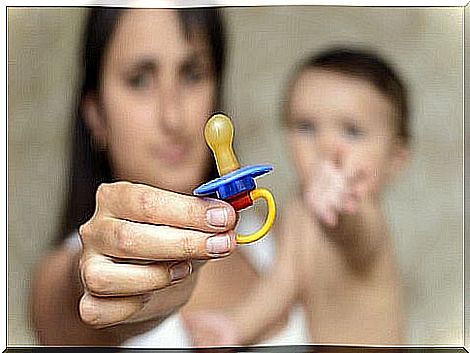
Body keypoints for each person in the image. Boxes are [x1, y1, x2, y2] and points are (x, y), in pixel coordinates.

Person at [31, 7, 309, 346]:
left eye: (192, 74)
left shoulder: (281, 242)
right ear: (96, 115)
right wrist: (97, 282)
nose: (173, 117)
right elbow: (69, 306)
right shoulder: (67, 274)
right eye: (140, 80)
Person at [185, 47, 410, 346]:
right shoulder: (298, 210)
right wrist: (235, 327)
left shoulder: (367, 219)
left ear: (394, 159)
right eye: (306, 127)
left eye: (352, 131)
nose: (326, 145)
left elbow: (354, 234)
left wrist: (340, 204)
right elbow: (281, 283)